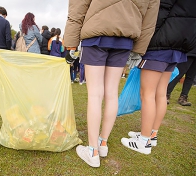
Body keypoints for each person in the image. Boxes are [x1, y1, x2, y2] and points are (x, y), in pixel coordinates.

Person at [64, 0, 160, 167]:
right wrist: (139, 49)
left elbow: (78, 7)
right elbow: (150, 18)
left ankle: (93, 151)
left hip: (96, 32)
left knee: (95, 94)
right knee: (111, 92)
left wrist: (71, 41)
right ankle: (102, 144)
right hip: (126, 37)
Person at [122, 0, 196, 155]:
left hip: (160, 43)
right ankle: (151, 134)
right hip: (179, 44)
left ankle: (143, 141)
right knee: (160, 93)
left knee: (147, 93)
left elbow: (159, 12)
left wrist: (144, 41)